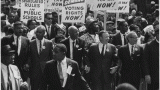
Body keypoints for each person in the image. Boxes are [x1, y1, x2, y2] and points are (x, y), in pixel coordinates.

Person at [27, 25, 53, 90]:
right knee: (34, 87)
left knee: (44, 87)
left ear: (44, 33)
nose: (38, 34)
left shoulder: (49, 43)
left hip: (45, 70)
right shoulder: (31, 43)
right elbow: (29, 56)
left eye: (40, 32)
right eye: (37, 32)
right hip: (34, 70)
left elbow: (51, 57)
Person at [143, 24, 159, 90]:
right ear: (156, 35)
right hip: (154, 76)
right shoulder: (149, 45)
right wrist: (147, 74)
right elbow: (145, 61)